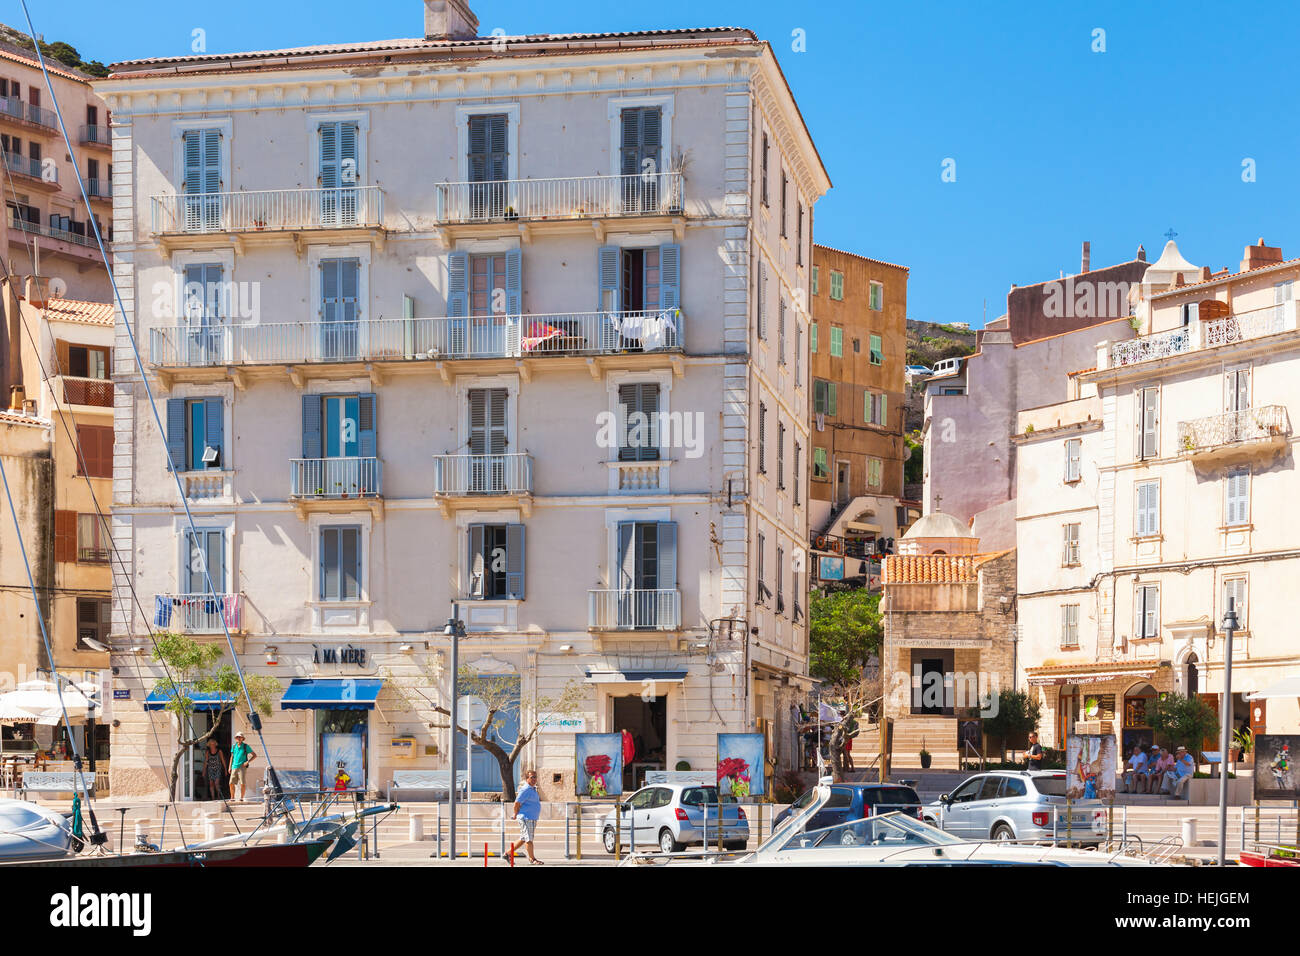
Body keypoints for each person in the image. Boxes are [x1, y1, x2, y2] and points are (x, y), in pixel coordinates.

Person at [508, 768, 543, 864]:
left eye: (535, 777)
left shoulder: (533, 789)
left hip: (531, 818)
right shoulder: (525, 789)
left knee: (524, 838)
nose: (534, 779)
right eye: (532, 777)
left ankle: (507, 854)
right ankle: (532, 859)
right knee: (529, 839)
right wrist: (515, 814)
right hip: (525, 818)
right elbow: (517, 803)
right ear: (527, 778)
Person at [228, 731, 257, 801]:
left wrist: (248, 761)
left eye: (240, 737)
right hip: (234, 766)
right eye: (237, 737)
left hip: (242, 767)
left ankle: (241, 798)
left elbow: (254, 755)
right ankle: (232, 798)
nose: (238, 738)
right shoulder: (234, 746)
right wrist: (229, 767)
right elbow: (232, 757)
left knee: (242, 783)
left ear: (242, 738)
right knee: (231, 783)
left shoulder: (245, 746)